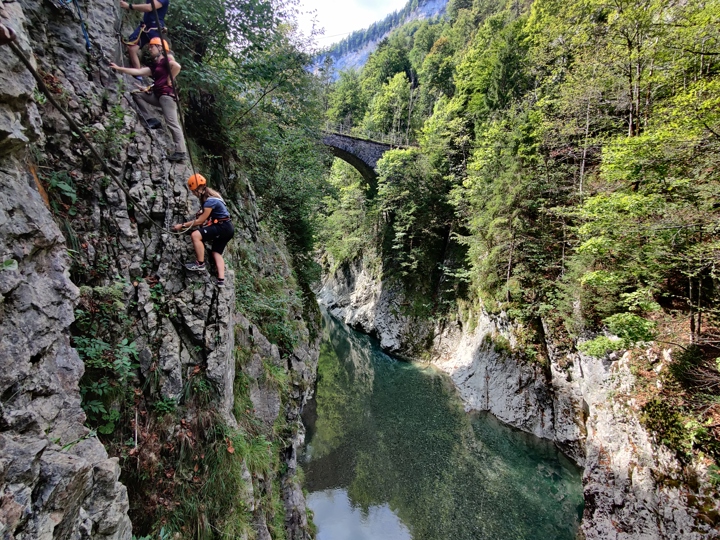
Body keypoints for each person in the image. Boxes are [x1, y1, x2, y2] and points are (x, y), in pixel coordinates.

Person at [109, 38, 187, 162]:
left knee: (172, 123)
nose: (150, 49)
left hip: (167, 97)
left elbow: (177, 66)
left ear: (160, 48)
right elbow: (138, 71)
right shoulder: (155, 66)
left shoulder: (166, 60)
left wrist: (169, 79)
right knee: (137, 94)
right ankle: (151, 120)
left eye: (152, 47)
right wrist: (119, 68)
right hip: (158, 96)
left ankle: (181, 151)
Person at [173, 174, 234, 287]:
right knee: (216, 252)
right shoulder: (214, 197)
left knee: (195, 235)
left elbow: (200, 221)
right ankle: (221, 280)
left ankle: (200, 263)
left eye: (193, 191)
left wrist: (182, 225)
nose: (193, 194)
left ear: (199, 189)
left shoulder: (210, 202)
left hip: (222, 227)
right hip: (228, 228)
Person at [120, 0, 169, 70]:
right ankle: (138, 72)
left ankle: (164, 73)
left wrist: (129, 6)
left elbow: (149, 7)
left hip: (155, 28)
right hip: (146, 26)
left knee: (158, 53)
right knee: (132, 48)